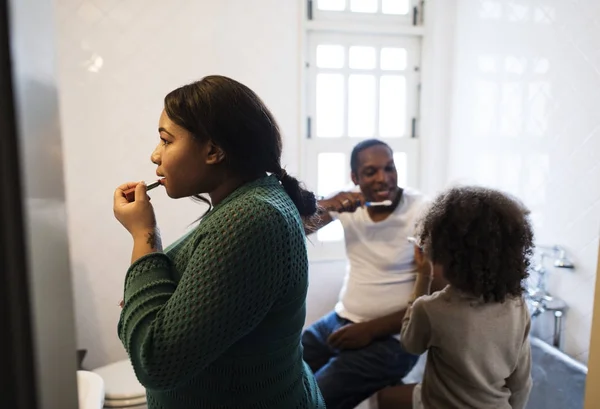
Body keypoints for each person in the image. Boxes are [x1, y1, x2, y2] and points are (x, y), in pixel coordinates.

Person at [112, 75, 326, 409]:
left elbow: (155, 361)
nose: (155, 156)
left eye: (166, 141)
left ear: (213, 150)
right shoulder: (250, 202)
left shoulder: (250, 218)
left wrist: (144, 235)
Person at [302, 139, 446, 409]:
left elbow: (436, 295)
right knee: (277, 369)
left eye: (389, 168)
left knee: (312, 398)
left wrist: (370, 329)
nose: (384, 178)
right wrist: (328, 204)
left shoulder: (421, 211)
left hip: (394, 337)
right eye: (371, 172)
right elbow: (294, 227)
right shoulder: (346, 204)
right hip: (340, 319)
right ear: (355, 177)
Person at [377, 186, 534, 409]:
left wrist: (423, 276)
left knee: (384, 398)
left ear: (444, 253)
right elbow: (521, 382)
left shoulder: (432, 309)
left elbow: (410, 344)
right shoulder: (517, 305)